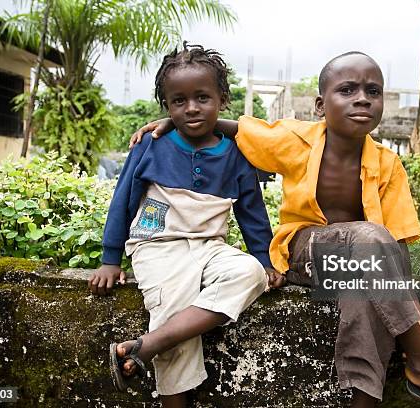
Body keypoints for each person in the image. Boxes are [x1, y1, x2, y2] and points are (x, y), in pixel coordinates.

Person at [130, 51, 420, 408]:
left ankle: (368, 398)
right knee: (369, 238)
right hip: (305, 254)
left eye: (373, 91)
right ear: (320, 105)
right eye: (347, 90)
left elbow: (397, 249)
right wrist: (175, 121)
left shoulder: (388, 164)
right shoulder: (296, 141)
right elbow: (238, 129)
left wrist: (404, 299)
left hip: (363, 263)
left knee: (367, 282)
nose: (361, 99)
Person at [88, 43, 285, 408]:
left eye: (202, 98)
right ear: (166, 106)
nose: (191, 108)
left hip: (211, 248)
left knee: (250, 274)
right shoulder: (151, 144)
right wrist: (110, 258)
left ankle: (152, 343)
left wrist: (264, 257)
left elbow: (252, 211)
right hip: (158, 247)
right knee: (173, 310)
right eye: (178, 101)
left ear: (222, 99)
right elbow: (123, 201)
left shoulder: (236, 153)